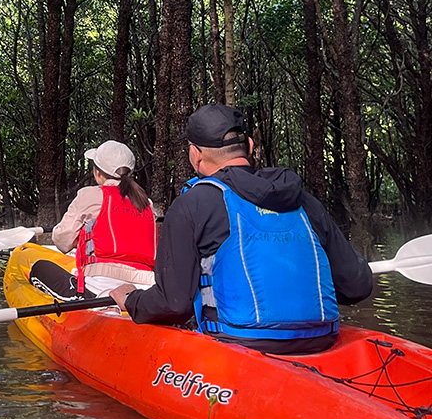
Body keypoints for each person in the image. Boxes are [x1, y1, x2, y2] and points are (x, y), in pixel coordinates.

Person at [110, 104, 373, 355]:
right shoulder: (305, 201)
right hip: (321, 341)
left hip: (237, 343)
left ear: (195, 155)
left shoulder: (191, 205)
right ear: (249, 145)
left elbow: (174, 304)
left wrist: (132, 300)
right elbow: (357, 286)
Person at [50, 140, 157, 297]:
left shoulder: (89, 195)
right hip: (145, 290)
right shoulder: (147, 203)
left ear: (98, 173)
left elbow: (62, 242)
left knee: (40, 268)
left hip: (98, 289)